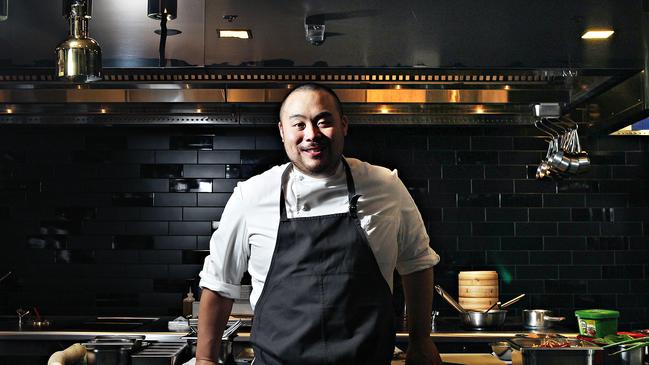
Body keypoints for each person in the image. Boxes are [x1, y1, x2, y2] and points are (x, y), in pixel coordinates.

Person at [196, 83, 442, 365]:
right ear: (282, 132)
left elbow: (417, 263)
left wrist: (420, 340)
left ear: (344, 125)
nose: (311, 135)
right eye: (298, 124)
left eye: (323, 122)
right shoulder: (251, 195)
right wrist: (205, 358)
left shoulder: (385, 186)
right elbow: (219, 283)